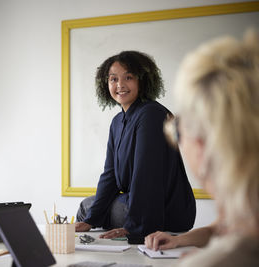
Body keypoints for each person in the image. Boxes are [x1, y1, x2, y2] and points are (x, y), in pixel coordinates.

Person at [145, 30, 259, 266]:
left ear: (201, 144)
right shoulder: (245, 211)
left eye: (177, 130)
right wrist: (180, 240)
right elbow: (221, 227)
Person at [75, 51, 196, 238]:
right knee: (89, 209)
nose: (120, 85)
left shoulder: (151, 114)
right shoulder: (117, 122)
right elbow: (110, 176)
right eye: (113, 79)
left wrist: (136, 228)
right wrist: (91, 220)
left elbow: (146, 175)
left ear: (143, 80)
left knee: (87, 206)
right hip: (135, 201)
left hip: (164, 210)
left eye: (128, 77)